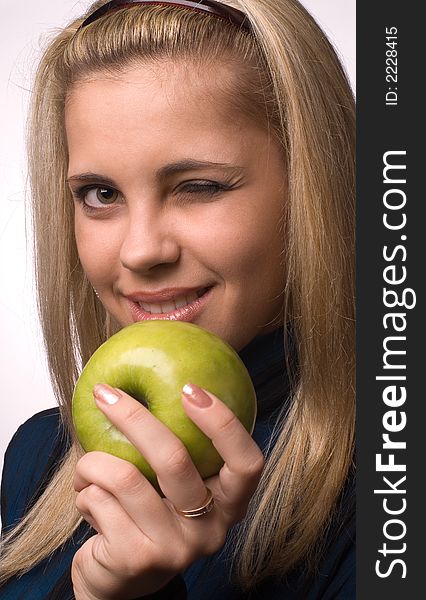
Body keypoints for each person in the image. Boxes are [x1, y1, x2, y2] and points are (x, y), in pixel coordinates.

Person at [0, 0, 355, 598]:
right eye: (100, 193)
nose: (140, 251)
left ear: (311, 183)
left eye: (197, 186)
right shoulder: (41, 454)